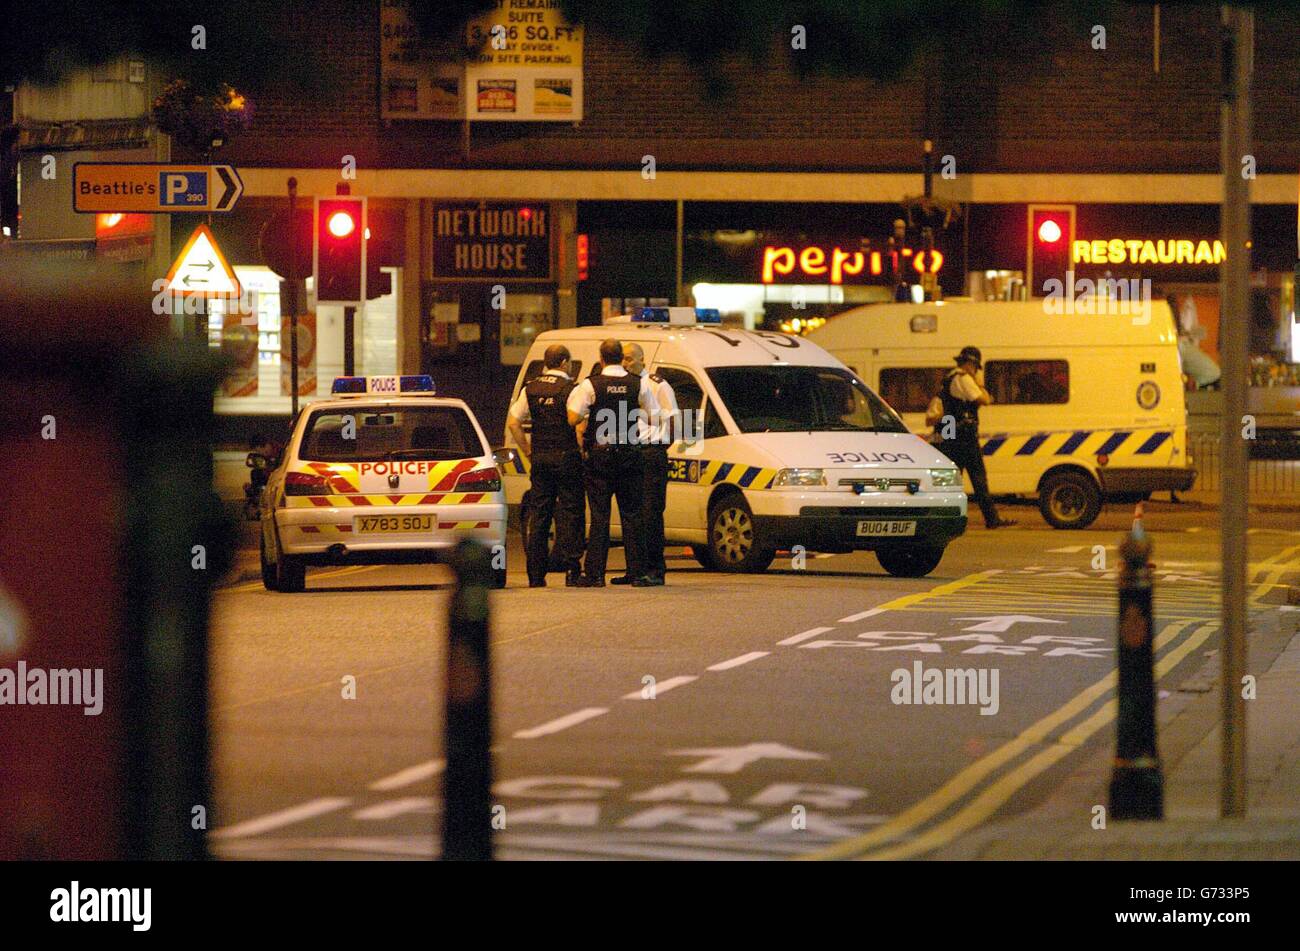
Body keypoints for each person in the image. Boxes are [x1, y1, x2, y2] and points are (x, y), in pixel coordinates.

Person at [567, 338, 660, 587]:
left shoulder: (591, 385)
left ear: (601, 359)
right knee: (633, 515)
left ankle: (595, 574)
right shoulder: (638, 383)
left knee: (599, 516)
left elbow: (573, 417)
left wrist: (592, 413)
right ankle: (637, 574)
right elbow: (654, 416)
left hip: (601, 458)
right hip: (630, 455)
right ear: (621, 358)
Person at [507, 344, 585, 587]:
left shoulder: (530, 388)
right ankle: (573, 571)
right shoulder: (571, 388)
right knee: (572, 513)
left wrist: (528, 450)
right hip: (566, 457)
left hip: (540, 459)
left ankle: (536, 575)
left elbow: (513, 423)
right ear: (563, 362)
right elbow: (576, 423)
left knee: (540, 515)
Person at [934, 346, 1017, 529]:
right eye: (976, 367)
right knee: (979, 479)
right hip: (965, 436)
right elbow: (985, 399)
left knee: (951, 480)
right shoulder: (964, 379)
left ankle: (943, 519)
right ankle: (991, 519)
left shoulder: (949, 378)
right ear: (970, 364)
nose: (976, 371)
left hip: (951, 434)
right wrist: (979, 383)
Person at [622, 342, 677, 586]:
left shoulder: (657, 384)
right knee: (632, 514)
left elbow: (673, 419)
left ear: (642, 360)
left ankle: (655, 569)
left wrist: (660, 446)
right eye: (622, 359)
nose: (624, 364)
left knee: (651, 513)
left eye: (628, 359)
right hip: (630, 453)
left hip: (650, 453)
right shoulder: (623, 386)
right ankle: (635, 569)